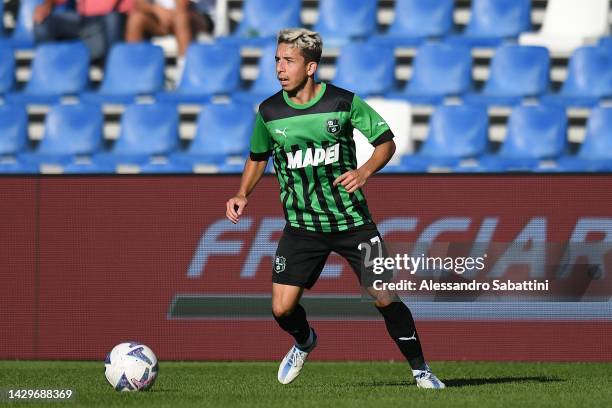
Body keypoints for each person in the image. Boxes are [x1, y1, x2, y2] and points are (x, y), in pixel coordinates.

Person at [225, 28, 445, 389]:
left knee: (385, 295)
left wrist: (364, 172)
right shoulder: (269, 111)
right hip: (302, 226)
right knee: (281, 309)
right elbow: (257, 157)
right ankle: (304, 341)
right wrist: (242, 193)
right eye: (277, 60)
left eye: (288, 61)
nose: (279, 68)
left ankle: (422, 371)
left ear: (310, 67)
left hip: (353, 221)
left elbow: (385, 143)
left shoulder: (342, 102)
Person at [125, 0, 213, 81]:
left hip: (199, 18)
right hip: (164, 19)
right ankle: (136, 77)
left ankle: (185, 75)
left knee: (181, 17)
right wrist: (157, 10)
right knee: (136, 20)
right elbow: (138, 3)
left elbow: (183, 4)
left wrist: (169, 15)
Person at [33, 0, 132, 61]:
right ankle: (53, 71)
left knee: (113, 19)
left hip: (111, 20)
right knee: (42, 22)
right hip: (83, 20)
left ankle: (112, 70)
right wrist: (46, 6)